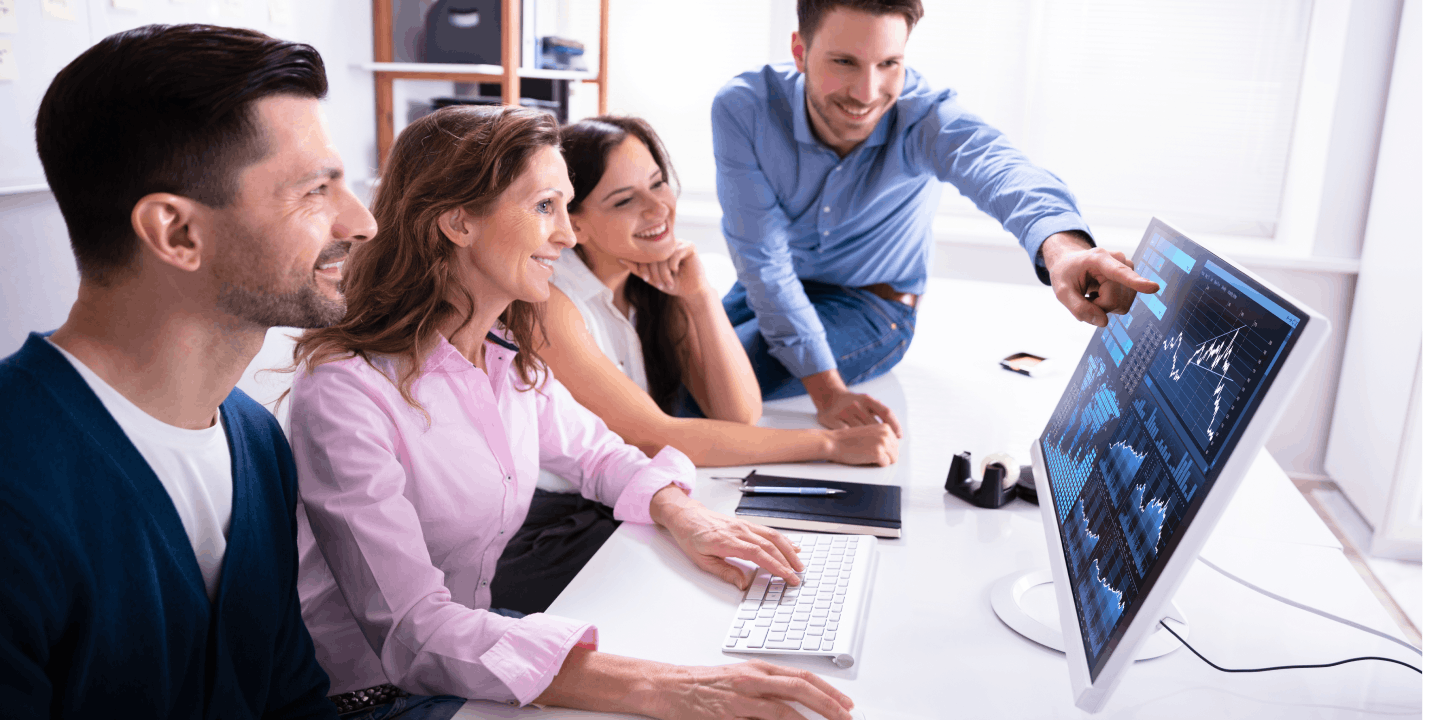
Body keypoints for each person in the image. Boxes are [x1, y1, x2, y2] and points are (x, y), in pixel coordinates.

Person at [286, 105, 856, 720]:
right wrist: (663, 687)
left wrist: (687, 517)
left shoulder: (502, 355)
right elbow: (412, 631)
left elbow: (599, 453)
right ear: (458, 223)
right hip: (371, 697)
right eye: (544, 207)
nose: (567, 235)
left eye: (566, 207)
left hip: (461, 658)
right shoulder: (346, 392)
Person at [0, 24, 375, 718]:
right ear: (176, 233)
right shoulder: (17, 481)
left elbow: (290, 697)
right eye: (315, 192)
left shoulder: (257, 440)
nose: (361, 222)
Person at [713, 0, 1159, 436]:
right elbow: (764, 262)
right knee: (653, 357)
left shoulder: (924, 116)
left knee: (698, 389)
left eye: (889, 63)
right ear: (799, 53)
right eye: (845, 62)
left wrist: (1063, 250)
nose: (867, 93)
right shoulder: (745, 108)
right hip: (768, 288)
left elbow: (1001, 170)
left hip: (871, 306)